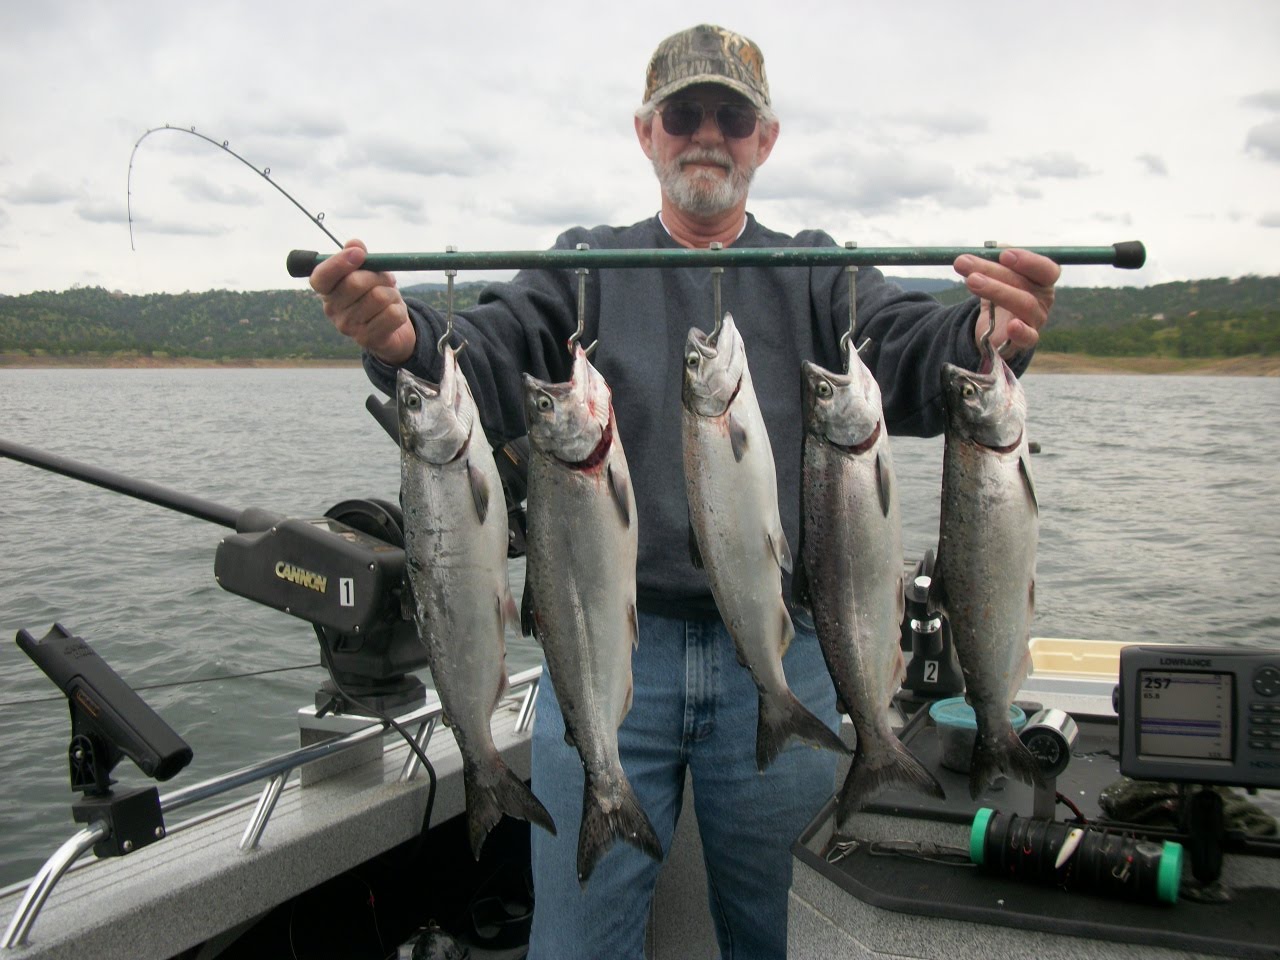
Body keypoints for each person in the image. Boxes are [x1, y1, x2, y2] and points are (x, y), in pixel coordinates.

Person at [312, 23, 1059, 960]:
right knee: (577, 944)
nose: (708, 133)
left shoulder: (821, 272)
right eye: (685, 113)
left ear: (765, 141)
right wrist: (405, 342)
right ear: (647, 133)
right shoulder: (582, 269)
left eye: (732, 117)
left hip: (791, 652)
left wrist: (987, 337)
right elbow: (487, 354)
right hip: (612, 649)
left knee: (788, 937)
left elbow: (916, 356)